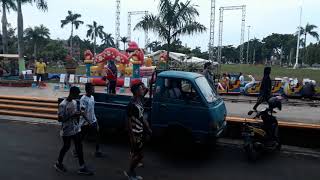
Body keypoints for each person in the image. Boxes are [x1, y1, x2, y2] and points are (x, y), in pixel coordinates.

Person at [54, 86, 93, 175]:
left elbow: (75, 114)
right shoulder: (63, 105)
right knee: (66, 146)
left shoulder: (75, 102)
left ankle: (82, 167)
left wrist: (82, 116)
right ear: (72, 93)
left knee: (79, 147)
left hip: (75, 128)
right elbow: (60, 119)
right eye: (77, 94)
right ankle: (58, 163)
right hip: (67, 130)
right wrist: (72, 115)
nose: (78, 96)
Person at [124, 81, 152, 180]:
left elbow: (142, 117)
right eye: (140, 88)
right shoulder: (131, 104)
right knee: (139, 155)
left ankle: (131, 172)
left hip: (140, 131)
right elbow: (128, 122)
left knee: (138, 155)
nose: (142, 90)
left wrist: (147, 128)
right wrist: (132, 137)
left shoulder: (139, 100)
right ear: (136, 91)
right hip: (135, 133)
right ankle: (130, 172)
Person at [78, 83, 103, 157]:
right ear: (87, 90)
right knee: (81, 137)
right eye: (92, 89)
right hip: (85, 123)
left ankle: (97, 151)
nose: (94, 90)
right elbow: (82, 112)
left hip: (93, 121)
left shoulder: (92, 97)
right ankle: (76, 150)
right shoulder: (83, 99)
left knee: (97, 135)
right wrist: (89, 122)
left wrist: (96, 121)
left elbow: (92, 110)